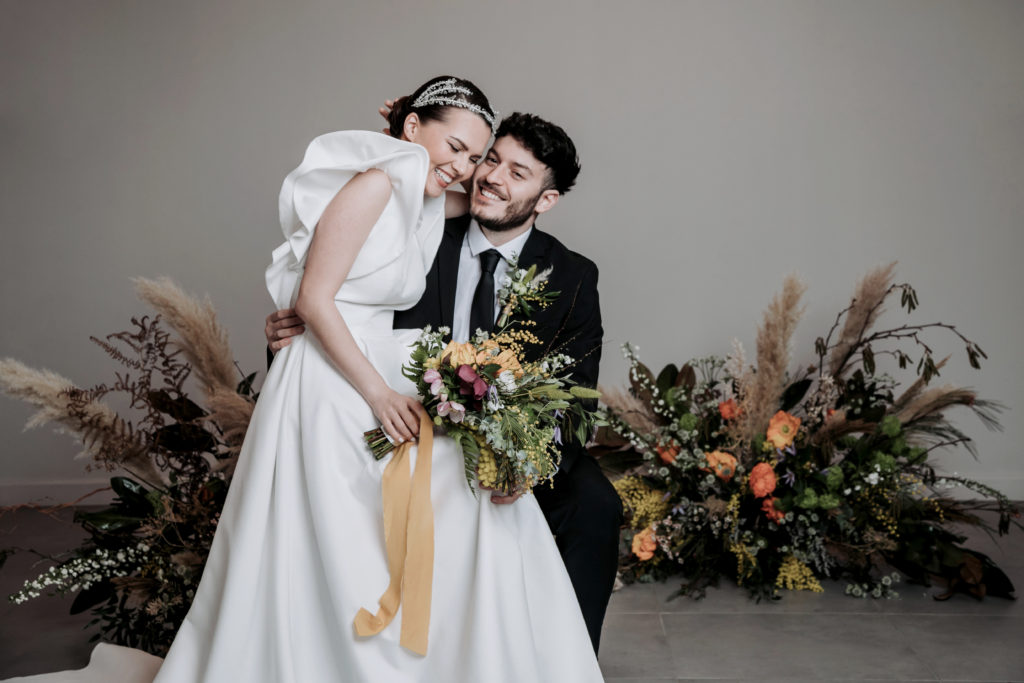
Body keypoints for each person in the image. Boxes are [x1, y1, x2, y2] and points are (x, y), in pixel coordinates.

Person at [6, 76, 603, 683]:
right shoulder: (383, 188)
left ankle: (477, 657)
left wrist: (409, 137)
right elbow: (317, 298)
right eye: (469, 153)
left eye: (482, 159)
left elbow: (575, 382)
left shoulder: (459, 212)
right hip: (351, 380)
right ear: (417, 129)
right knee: (344, 535)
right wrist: (406, 137)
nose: (476, 172)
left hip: (387, 374)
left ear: (546, 198)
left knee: (486, 504)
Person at [266, 110, 623, 654]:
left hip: (508, 443)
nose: (492, 177)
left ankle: (560, 662)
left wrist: (526, 462)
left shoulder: (573, 276)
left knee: (595, 504)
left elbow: (576, 395)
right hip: (400, 425)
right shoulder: (416, 230)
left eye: (518, 173)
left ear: (546, 200)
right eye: (491, 159)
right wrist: (281, 338)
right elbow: (326, 300)